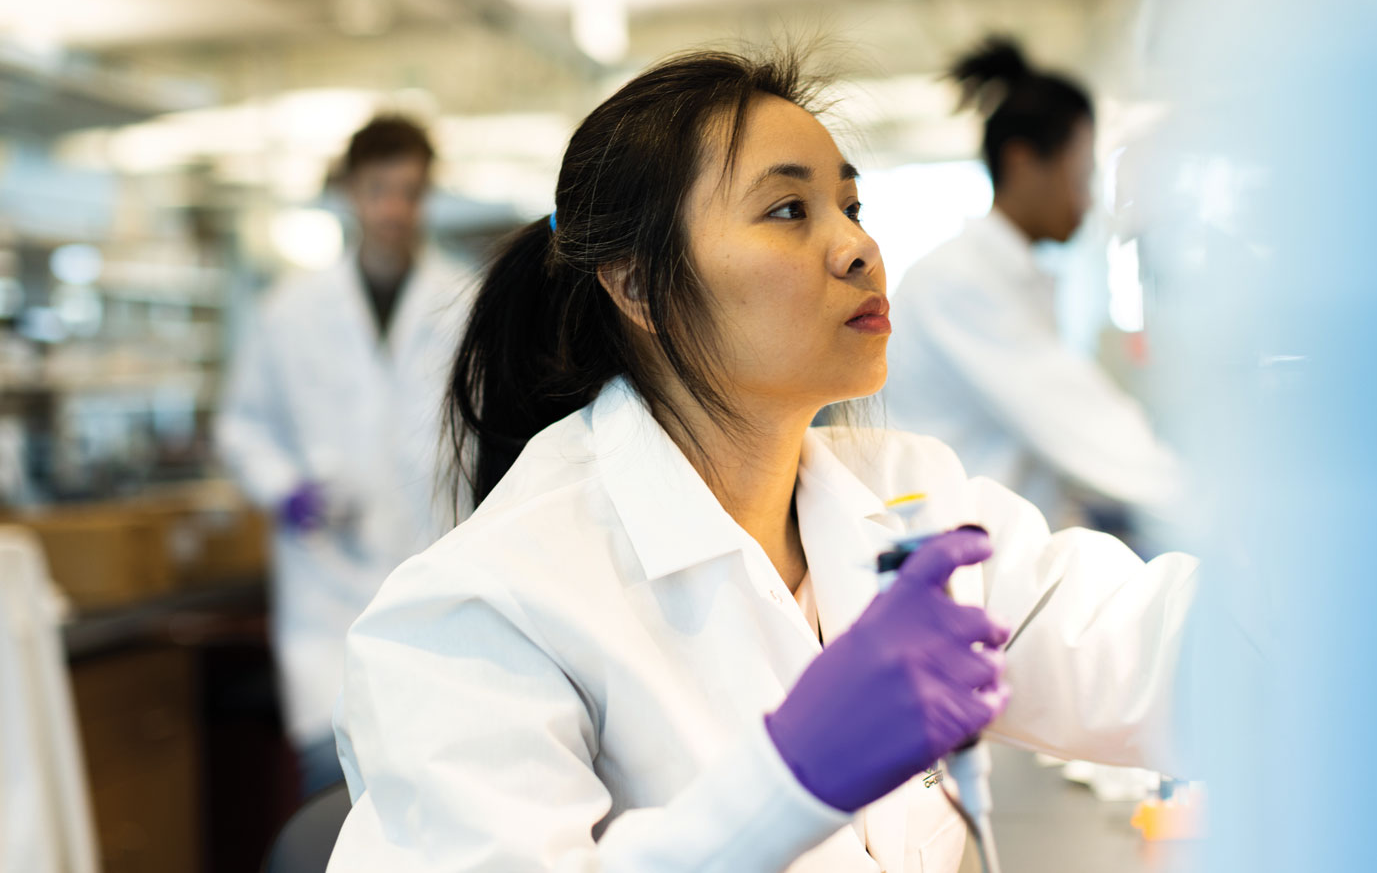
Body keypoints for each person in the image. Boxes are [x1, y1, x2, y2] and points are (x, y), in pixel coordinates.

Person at [326, 51, 1197, 872]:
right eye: (789, 211)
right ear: (636, 286)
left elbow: (1152, 655)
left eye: (851, 208)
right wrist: (786, 783)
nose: (859, 249)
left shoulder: (906, 495)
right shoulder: (479, 613)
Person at [216, 115, 471, 796]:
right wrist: (284, 489)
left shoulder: (466, 302)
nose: (393, 209)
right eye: (379, 189)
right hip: (327, 592)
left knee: (437, 791)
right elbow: (242, 427)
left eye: (410, 191)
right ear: (350, 192)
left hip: (438, 579)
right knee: (334, 790)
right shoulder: (290, 311)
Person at [882, 37, 1181, 531]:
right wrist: (1208, 502)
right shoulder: (958, 281)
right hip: (956, 554)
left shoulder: (1007, 274)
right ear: (1022, 164)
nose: (1087, 204)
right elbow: (1081, 419)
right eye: (1081, 178)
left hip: (1004, 540)